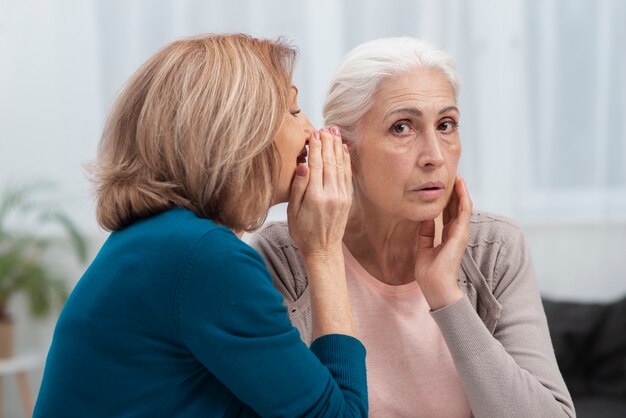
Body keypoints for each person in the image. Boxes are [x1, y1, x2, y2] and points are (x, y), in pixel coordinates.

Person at [34, 34, 367, 417]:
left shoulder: (158, 244)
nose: (312, 130)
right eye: (293, 112)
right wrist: (323, 250)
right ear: (237, 131)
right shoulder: (202, 257)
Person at [251, 37, 576, 418]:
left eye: (446, 125)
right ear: (343, 149)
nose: (435, 156)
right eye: (402, 127)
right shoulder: (283, 255)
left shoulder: (495, 246)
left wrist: (445, 296)